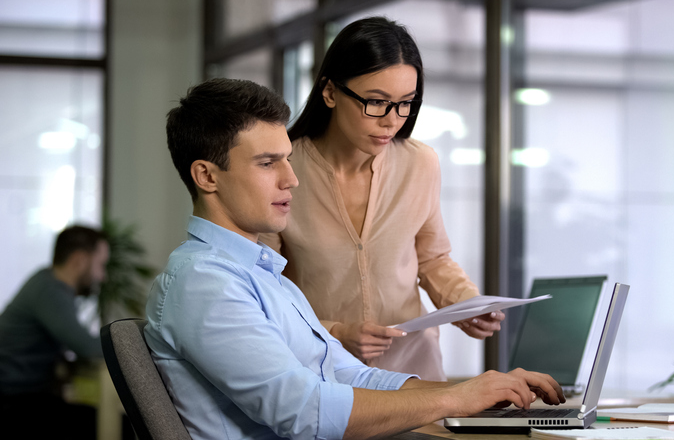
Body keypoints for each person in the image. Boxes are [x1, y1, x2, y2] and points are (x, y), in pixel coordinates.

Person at [145, 77, 565, 440]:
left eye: (287, 159)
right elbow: (303, 411)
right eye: (267, 162)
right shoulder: (204, 282)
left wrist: (477, 390)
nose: (291, 179)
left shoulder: (263, 275)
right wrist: (455, 398)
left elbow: (353, 377)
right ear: (206, 176)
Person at [258, 16, 502, 381]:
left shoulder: (420, 163)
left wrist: (465, 304)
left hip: (413, 369)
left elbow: (433, 259)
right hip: (321, 369)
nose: (392, 121)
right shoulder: (283, 169)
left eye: (406, 103)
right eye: (376, 102)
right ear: (330, 92)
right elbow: (264, 287)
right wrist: (334, 331)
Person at [0, 225, 108, 438]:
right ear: (80, 260)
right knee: (113, 425)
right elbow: (86, 346)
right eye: (100, 265)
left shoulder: (45, 280)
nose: (102, 276)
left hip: (22, 395)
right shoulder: (51, 292)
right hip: (14, 401)